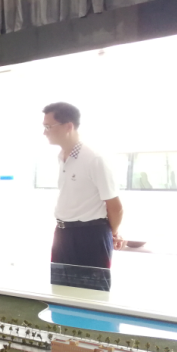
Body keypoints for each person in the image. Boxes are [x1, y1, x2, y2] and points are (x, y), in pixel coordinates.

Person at [43, 102, 125, 291]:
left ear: (68, 126)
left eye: (48, 126)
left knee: (92, 295)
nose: (44, 132)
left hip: (91, 236)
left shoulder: (94, 159)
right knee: (60, 291)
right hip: (63, 234)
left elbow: (115, 206)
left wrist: (113, 233)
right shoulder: (61, 157)